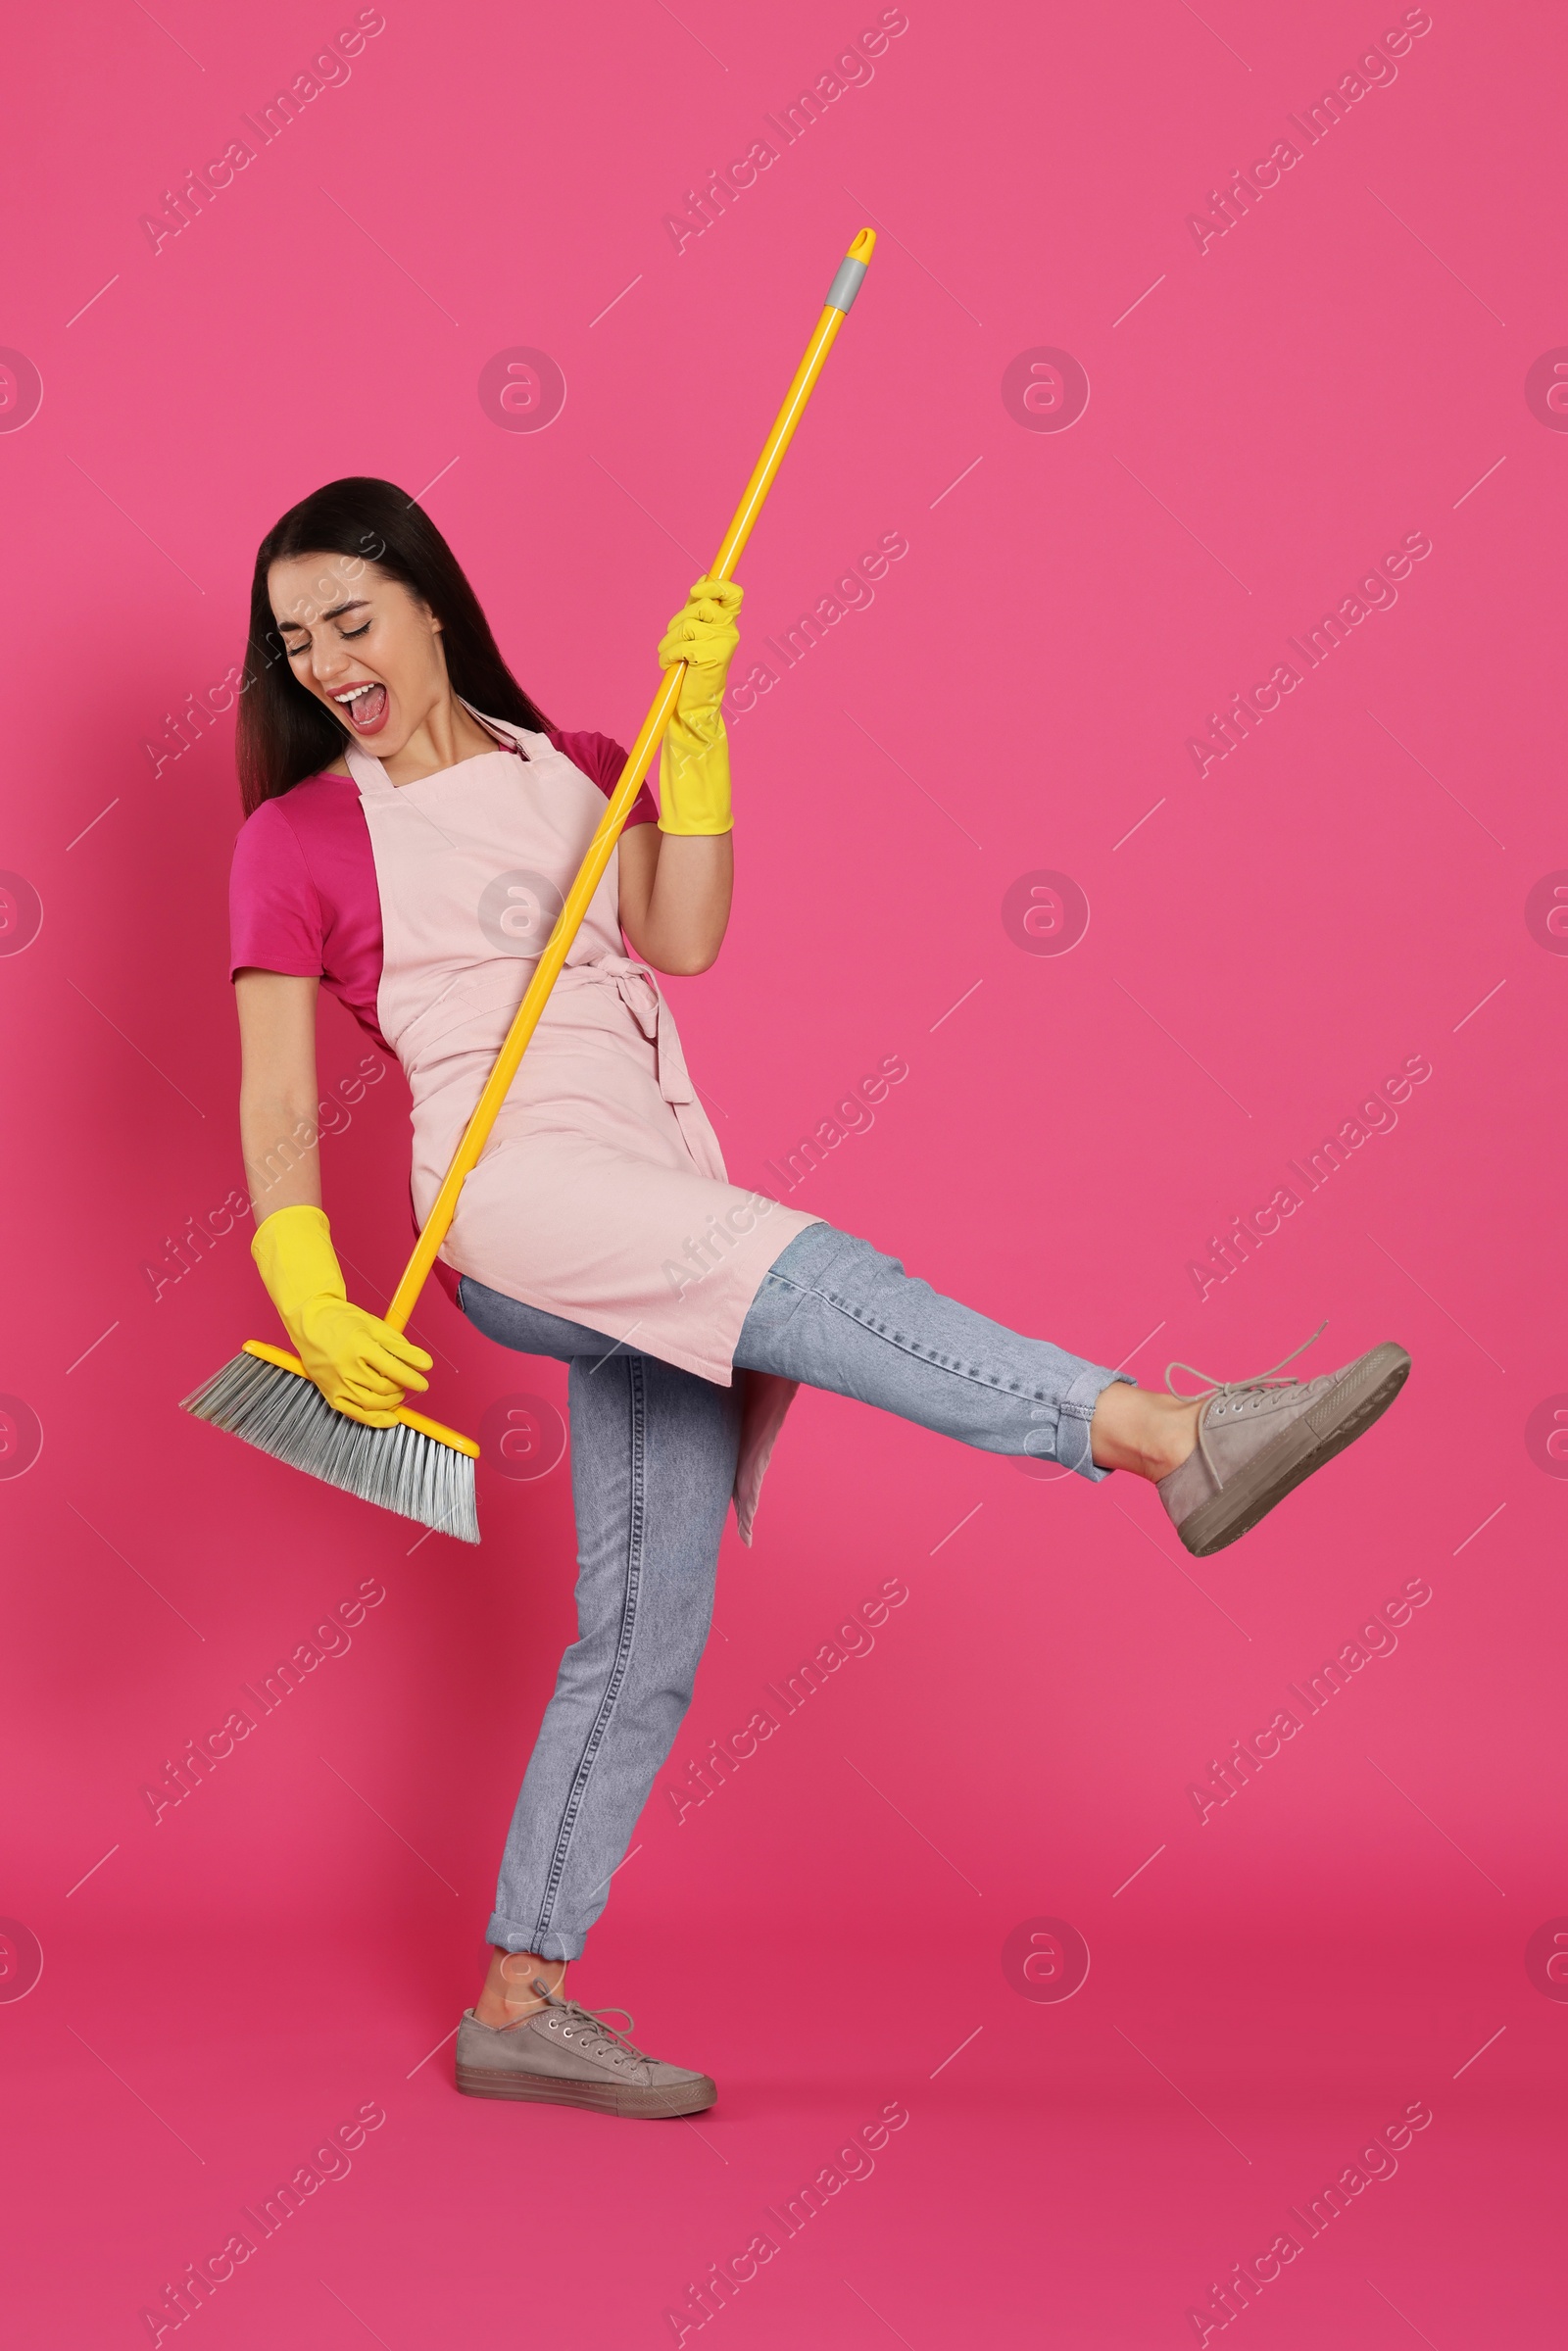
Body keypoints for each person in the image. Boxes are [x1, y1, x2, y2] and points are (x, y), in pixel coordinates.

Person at [228, 477, 1410, 2121]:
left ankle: (520, 2000)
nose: (330, 663)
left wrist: (693, 730)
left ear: (432, 603)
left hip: (650, 1171)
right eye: (298, 644)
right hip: (511, 1202)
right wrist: (303, 1273)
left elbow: (683, 934)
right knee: (814, 1269)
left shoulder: (564, 767)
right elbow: (277, 1101)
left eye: (353, 620)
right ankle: (1158, 1431)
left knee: (642, 1636)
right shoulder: (297, 837)